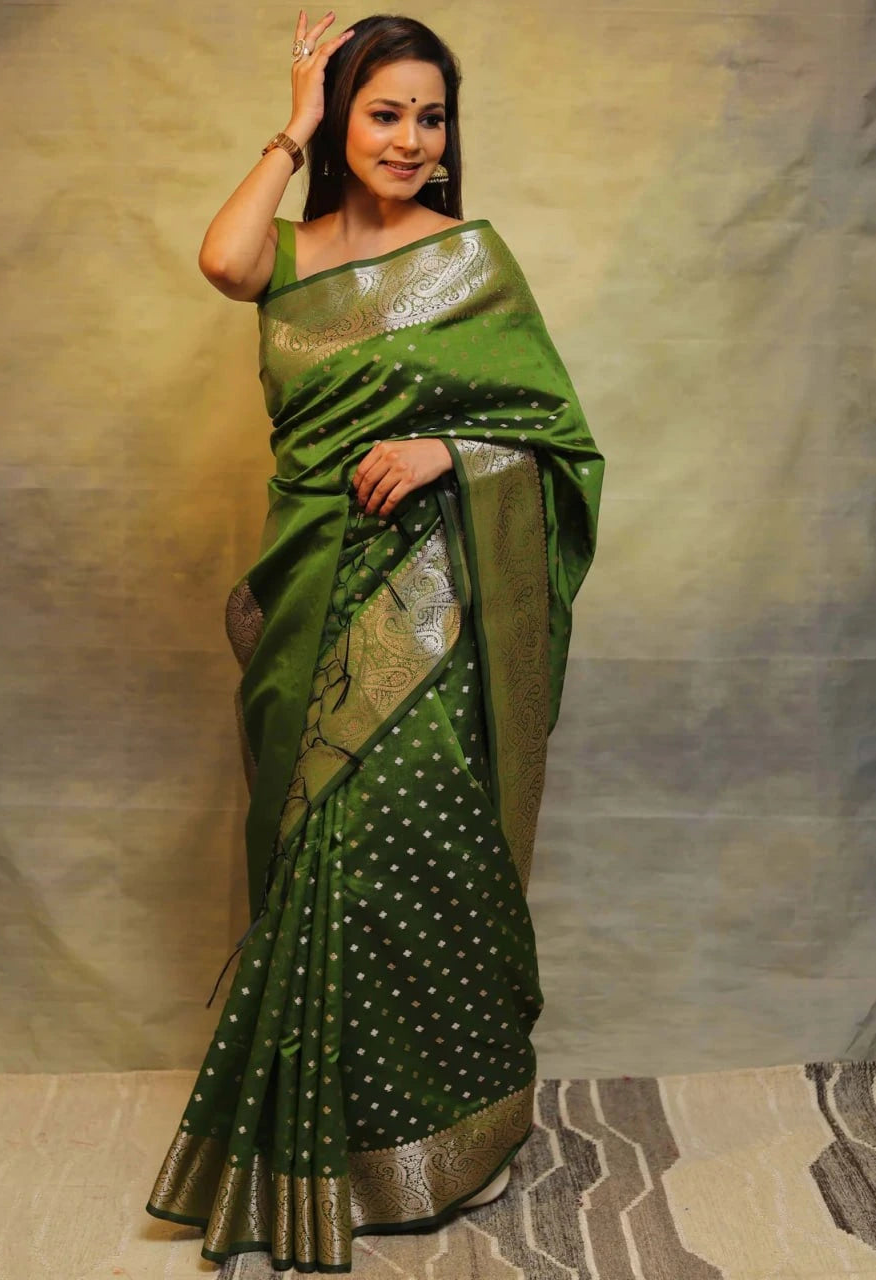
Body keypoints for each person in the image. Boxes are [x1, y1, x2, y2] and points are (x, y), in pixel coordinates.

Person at [144, 10, 604, 1273]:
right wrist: (288, 128)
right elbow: (223, 261)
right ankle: (314, 1141)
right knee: (308, 856)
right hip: (304, 588)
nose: (411, 138)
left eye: (431, 114)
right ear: (345, 123)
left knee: (397, 843)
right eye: (384, 112)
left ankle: (430, 1134)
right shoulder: (291, 254)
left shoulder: (471, 259)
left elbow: (558, 445)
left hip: (435, 599)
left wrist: (453, 452)